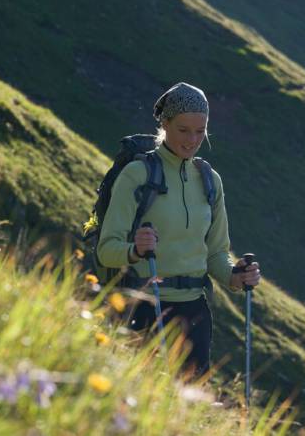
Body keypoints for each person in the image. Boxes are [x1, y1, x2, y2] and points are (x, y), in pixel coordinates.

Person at [97, 82, 261, 378]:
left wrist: (236, 276)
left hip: (194, 314)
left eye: (201, 131)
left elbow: (216, 254)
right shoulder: (137, 175)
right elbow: (107, 251)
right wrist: (135, 250)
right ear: (164, 124)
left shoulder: (210, 181)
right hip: (144, 306)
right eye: (184, 130)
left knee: (187, 409)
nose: (192, 140)